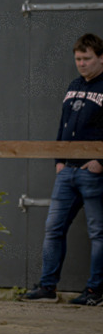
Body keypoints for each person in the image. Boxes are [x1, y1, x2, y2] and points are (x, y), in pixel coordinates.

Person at [23, 33, 103, 305]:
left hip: (93, 173)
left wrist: (101, 163)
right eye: (78, 59)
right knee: (53, 228)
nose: (82, 64)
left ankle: (95, 291)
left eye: (87, 59)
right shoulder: (73, 85)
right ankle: (48, 287)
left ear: (101, 57)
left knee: (98, 232)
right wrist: (58, 161)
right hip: (67, 170)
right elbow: (62, 125)